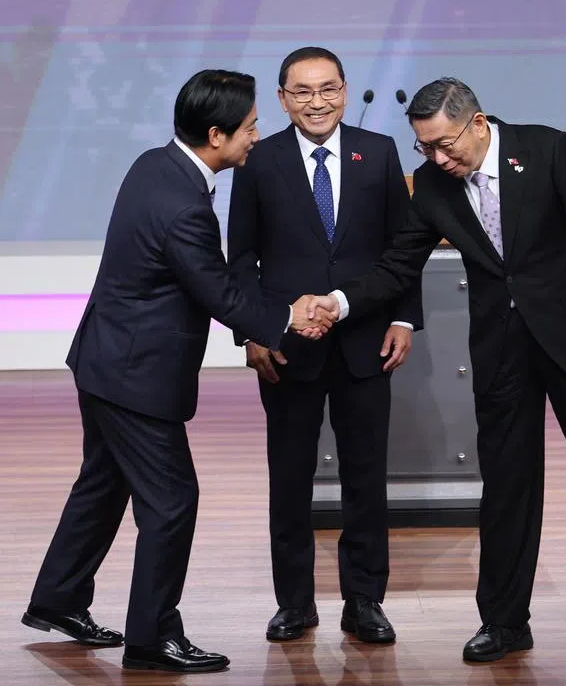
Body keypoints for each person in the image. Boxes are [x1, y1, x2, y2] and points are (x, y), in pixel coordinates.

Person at [309, 78, 566, 662]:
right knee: (507, 488)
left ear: (478, 122)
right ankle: (505, 622)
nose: (437, 159)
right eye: (425, 149)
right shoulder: (435, 185)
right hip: (502, 350)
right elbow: (397, 267)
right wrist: (339, 302)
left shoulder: (548, 150)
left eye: (444, 145)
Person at [21, 69, 333, 674]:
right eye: (248, 128)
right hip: (135, 375)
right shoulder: (183, 207)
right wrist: (288, 315)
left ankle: (58, 599)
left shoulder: (154, 164)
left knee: (104, 484)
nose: (256, 136)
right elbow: (217, 291)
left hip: (104, 360)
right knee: (171, 502)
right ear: (216, 135)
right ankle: (153, 636)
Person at [227, 47, 423, 644]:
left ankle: (365, 601)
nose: (318, 102)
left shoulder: (380, 153)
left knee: (367, 478)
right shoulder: (260, 161)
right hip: (286, 349)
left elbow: (403, 249)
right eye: (303, 91)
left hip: (367, 343)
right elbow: (240, 258)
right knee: (289, 477)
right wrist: (253, 332)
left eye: (329, 89)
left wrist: (405, 321)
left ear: (345, 89)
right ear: (282, 98)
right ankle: (294, 603)